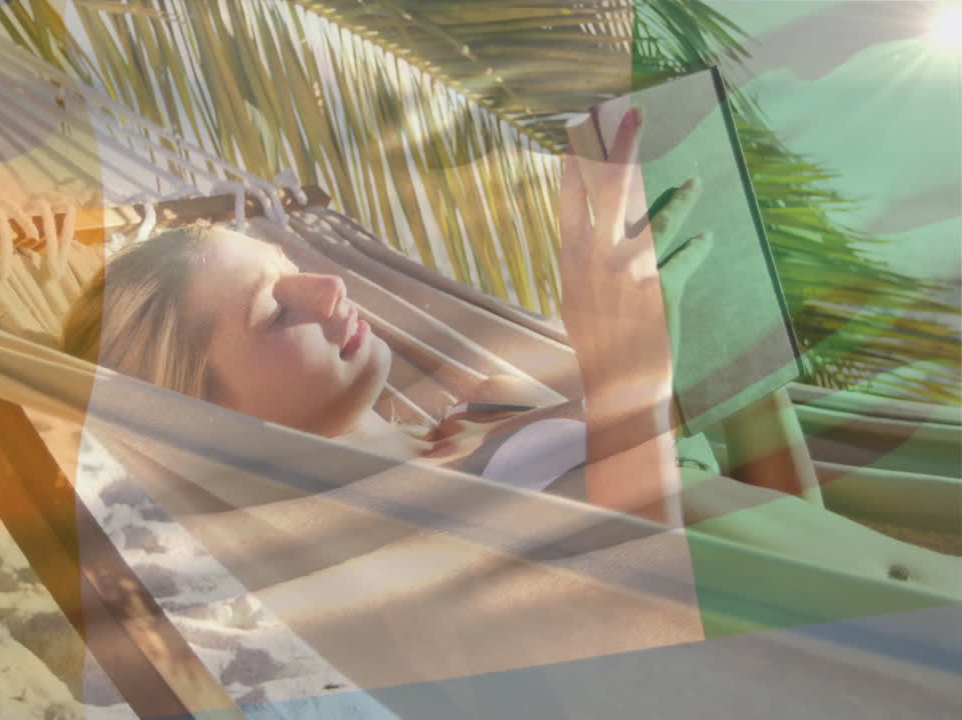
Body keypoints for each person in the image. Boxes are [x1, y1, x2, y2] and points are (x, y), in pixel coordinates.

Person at [62, 108, 706, 524]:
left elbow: (762, 509)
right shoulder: (388, 537)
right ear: (206, 421)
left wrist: (698, 343)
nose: (329, 288)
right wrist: (632, 382)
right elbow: (660, 645)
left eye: (292, 269)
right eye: (274, 310)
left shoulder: (478, 412)